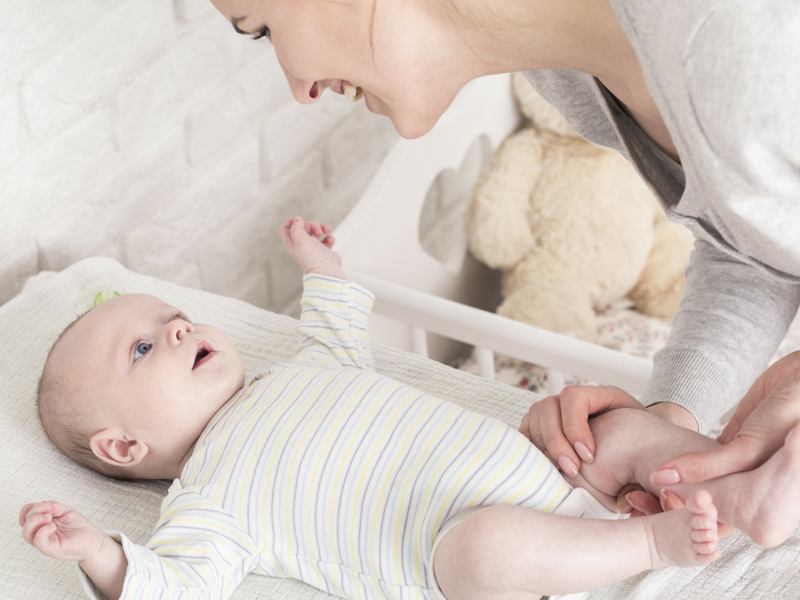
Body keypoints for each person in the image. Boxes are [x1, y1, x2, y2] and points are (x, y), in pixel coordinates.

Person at [206, 0, 800, 504]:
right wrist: (666, 419)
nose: (301, 90)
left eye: (260, 28)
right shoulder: (569, 75)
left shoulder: (735, 36)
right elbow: (759, 241)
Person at [18, 217, 800, 600]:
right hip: (475, 552)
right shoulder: (208, 502)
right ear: (122, 448)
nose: (178, 324)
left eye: (166, 315)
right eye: (146, 349)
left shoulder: (299, 368)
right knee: (481, 554)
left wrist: (322, 267)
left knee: (615, 427)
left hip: (557, 473)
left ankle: (735, 489)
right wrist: (101, 554)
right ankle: (657, 549)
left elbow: (335, 322)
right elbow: (176, 588)